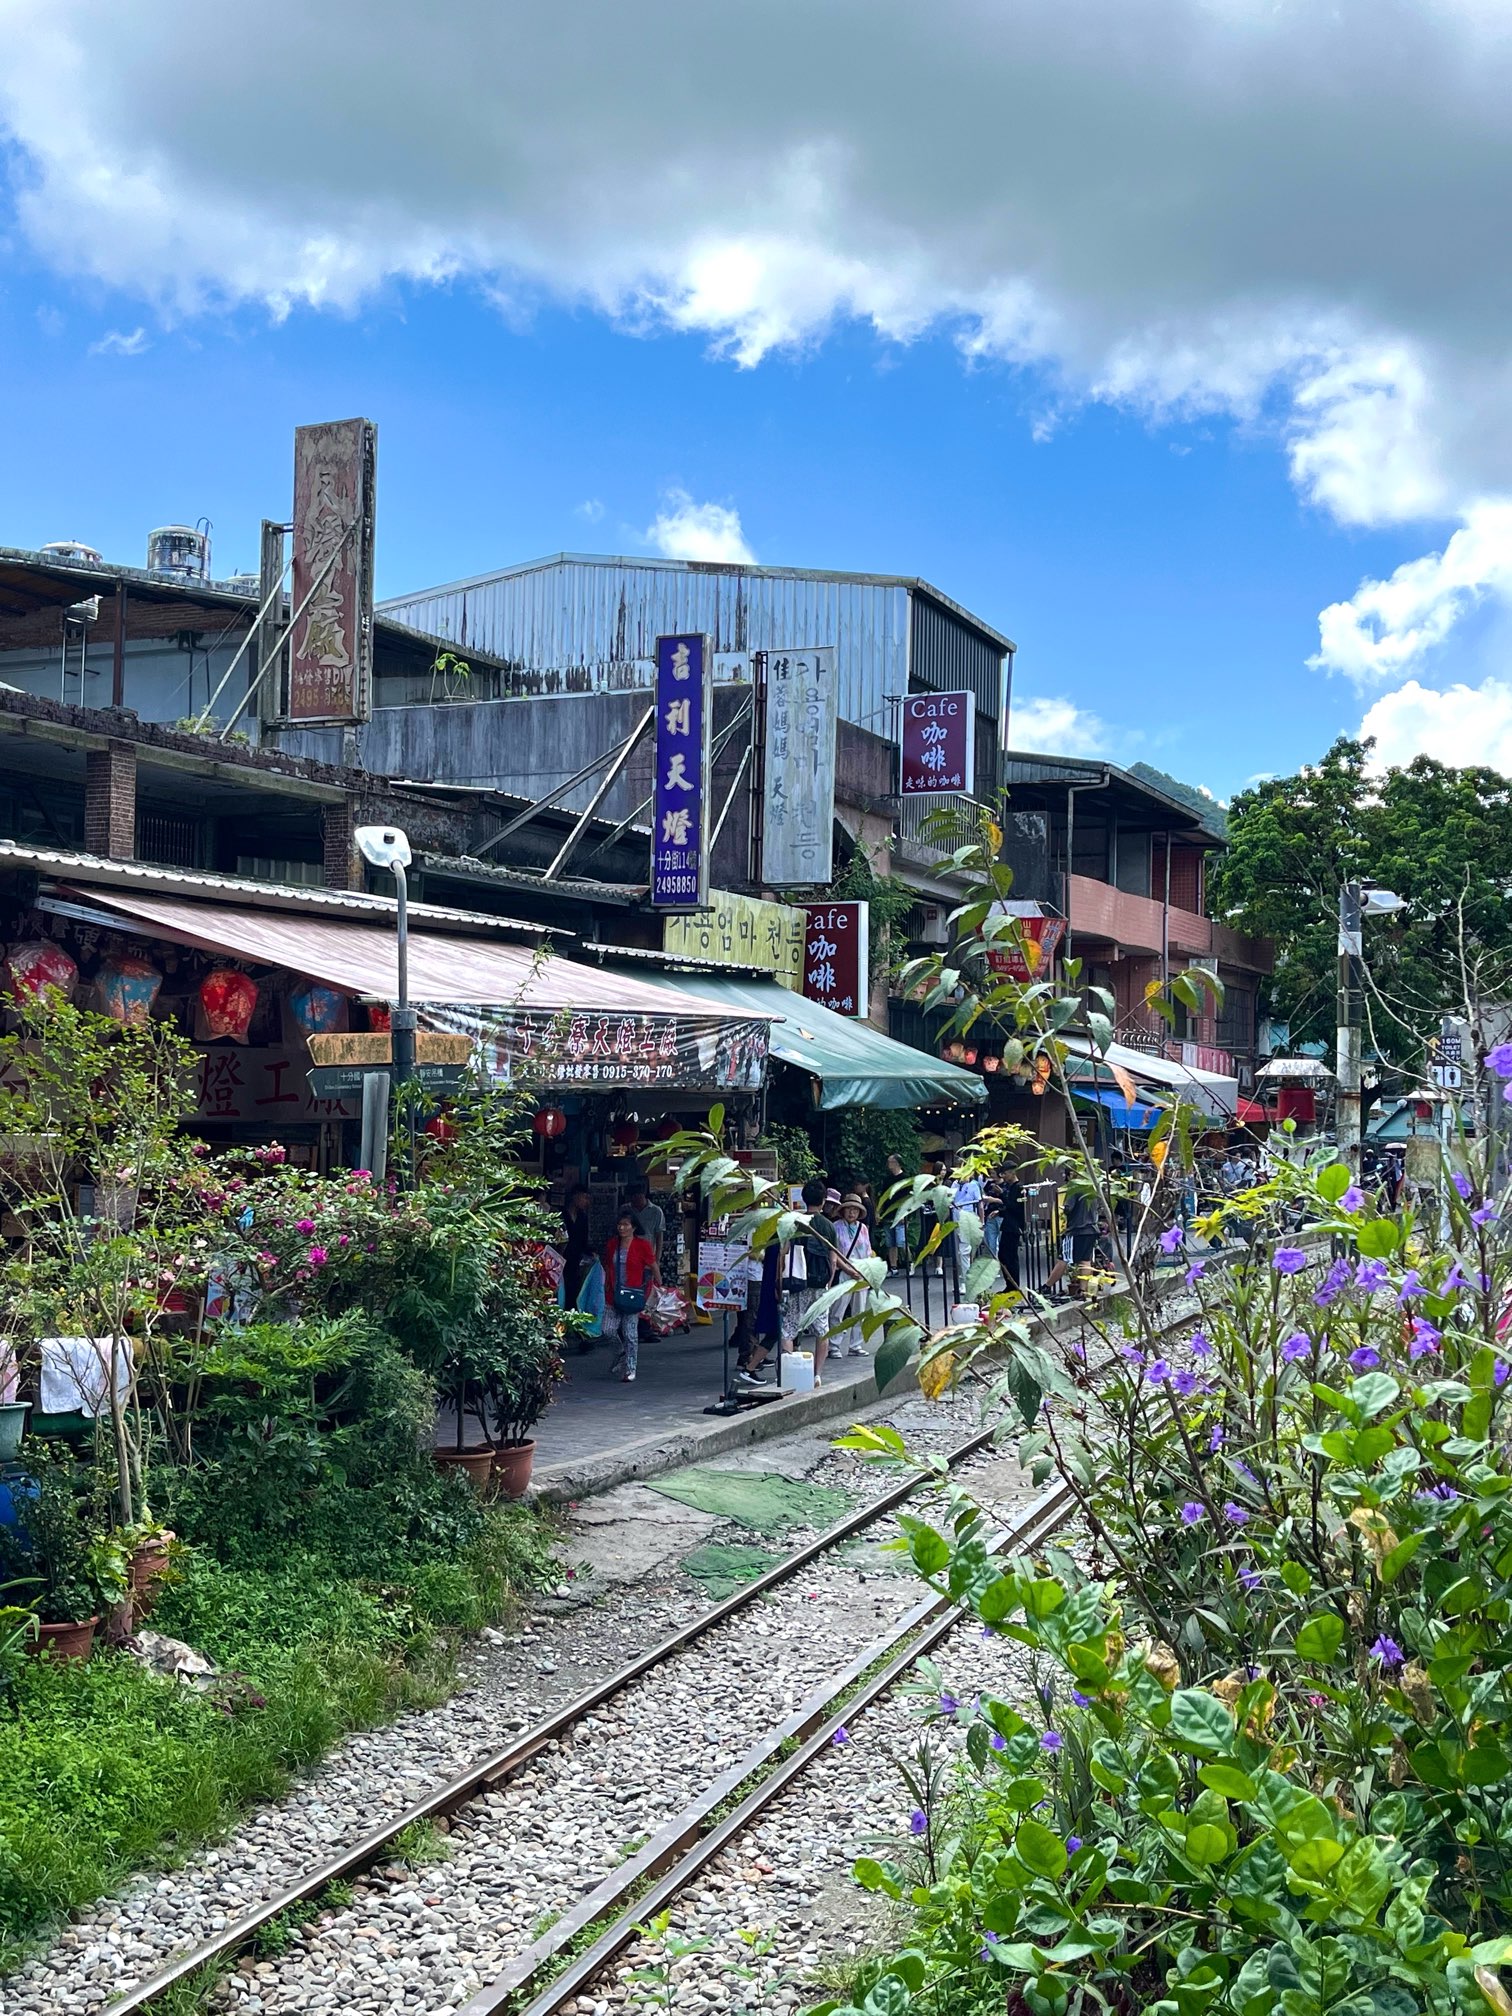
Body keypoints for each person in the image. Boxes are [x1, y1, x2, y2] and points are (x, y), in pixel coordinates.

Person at [787, 1177, 839, 1384]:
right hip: (820, 1284)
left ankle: (790, 1374)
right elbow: (833, 1260)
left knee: (789, 1328)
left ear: (803, 1199)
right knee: (822, 1330)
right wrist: (829, 1283)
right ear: (824, 1201)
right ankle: (816, 1374)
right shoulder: (828, 1226)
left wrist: (779, 1282)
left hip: (797, 1282)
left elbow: (784, 1254)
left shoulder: (795, 1222)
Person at [600, 1210, 660, 1383]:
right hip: (613, 1292)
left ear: (634, 1227)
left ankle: (630, 1368)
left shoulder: (643, 1245)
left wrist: (659, 1284)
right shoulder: (613, 1244)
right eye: (620, 1224)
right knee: (607, 1330)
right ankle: (621, 1353)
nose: (622, 1228)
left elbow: (653, 1265)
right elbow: (608, 1265)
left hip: (633, 1293)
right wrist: (606, 1284)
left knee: (630, 1333)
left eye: (626, 1225)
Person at [831, 1193, 873, 1358]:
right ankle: (834, 1345)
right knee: (838, 1310)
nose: (851, 1213)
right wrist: (848, 1270)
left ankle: (856, 1345)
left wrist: (865, 1271)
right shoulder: (836, 1227)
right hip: (844, 1272)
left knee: (859, 1310)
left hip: (861, 1273)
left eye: (855, 1210)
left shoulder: (863, 1229)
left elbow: (868, 1251)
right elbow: (834, 1253)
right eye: (849, 1209)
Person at [560, 1184, 594, 1343]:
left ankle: (573, 1331)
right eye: (584, 1197)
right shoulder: (560, 1215)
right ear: (575, 1196)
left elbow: (584, 1242)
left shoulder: (583, 1217)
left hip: (574, 1261)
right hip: (559, 1260)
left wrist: (591, 1254)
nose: (586, 1201)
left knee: (573, 1294)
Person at [997, 1171, 1026, 1290]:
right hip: (1008, 1225)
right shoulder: (1011, 1187)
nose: (1003, 1176)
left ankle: (1013, 1286)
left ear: (1012, 1173)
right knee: (1004, 1256)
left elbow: (1015, 1208)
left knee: (1010, 1257)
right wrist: (999, 1212)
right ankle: (1010, 1284)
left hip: (1014, 1226)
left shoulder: (1019, 1188)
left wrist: (1002, 1195)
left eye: (1005, 1173)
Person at [627, 1181, 665, 1265]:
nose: (634, 1200)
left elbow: (659, 1235)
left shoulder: (656, 1211)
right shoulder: (626, 1209)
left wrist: (657, 1259)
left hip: (648, 1256)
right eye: (632, 1198)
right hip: (629, 1256)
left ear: (642, 1195)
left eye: (636, 1197)